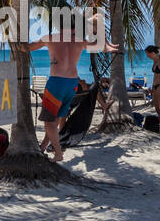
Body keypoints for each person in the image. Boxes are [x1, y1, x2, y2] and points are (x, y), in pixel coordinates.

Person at [31, 17, 119, 162]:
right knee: (56, 120)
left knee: (50, 123)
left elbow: (26, 48)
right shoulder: (79, 41)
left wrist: (14, 40)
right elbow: (101, 46)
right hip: (72, 84)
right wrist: (98, 28)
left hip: (56, 83)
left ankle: (58, 154)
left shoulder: (51, 38)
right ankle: (43, 147)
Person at [144, 45, 160, 131]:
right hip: (155, 87)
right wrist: (152, 87)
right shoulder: (155, 61)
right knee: (157, 109)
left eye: (148, 54)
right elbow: (156, 76)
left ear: (153, 53)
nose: (147, 56)